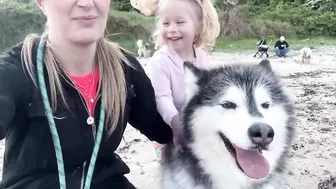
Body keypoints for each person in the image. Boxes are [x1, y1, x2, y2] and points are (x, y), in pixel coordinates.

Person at [0, 0, 173, 188]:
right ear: (41, 3)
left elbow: (165, 130)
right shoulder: (17, 70)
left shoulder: (125, 69)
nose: (86, 3)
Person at [148, 0, 220, 163]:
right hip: (169, 128)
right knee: (178, 170)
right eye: (166, 23)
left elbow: (213, 92)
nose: (172, 29)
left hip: (198, 126)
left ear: (198, 27)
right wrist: (176, 124)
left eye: (180, 22)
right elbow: (162, 98)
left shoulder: (203, 57)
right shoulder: (160, 61)